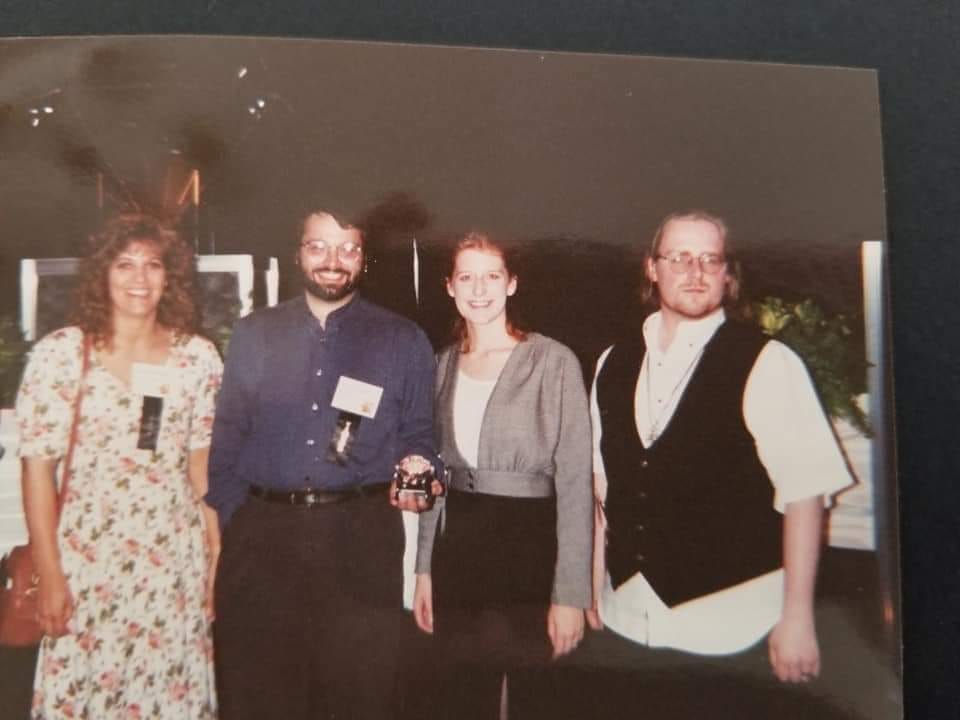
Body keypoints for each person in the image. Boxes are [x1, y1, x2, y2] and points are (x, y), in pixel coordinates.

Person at [564, 210, 855, 718]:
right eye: (678, 257)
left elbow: (806, 499)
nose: (694, 271)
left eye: (709, 259)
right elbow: (600, 485)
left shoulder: (768, 363)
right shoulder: (613, 361)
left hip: (731, 626)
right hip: (625, 618)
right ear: (652, 269)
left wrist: (798, 618)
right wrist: (591, 584)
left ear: (728, 274)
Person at [206, 205, 441, 720]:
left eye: (348, 248)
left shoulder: (402, 339)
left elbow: (421, 435)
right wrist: (238, 522)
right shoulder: (254, 334)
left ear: (363, 258)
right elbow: (225, 441)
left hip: (360, 541)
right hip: (263, 541)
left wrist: (421, 467)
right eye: (319, 247)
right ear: (299, 254)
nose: (333, 261)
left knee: (360, 698)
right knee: (261, 698)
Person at [17, 214, 222, 719]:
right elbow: (38, 471)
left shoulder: (197, 359)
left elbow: (202, 472)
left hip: (173, 566)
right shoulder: (61, 355)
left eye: (153, 265)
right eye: (125, 264)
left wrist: (216, 561)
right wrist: (50, 570)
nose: (139, 278)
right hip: (86, 563)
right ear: (101, 274)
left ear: (169, 276)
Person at [411, 231, 593, 719]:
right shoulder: (440, 365)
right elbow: (435, 477)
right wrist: (424, 569)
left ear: (512, 284)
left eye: (491, 276)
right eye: (466, 277)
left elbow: (577, 484)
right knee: (462, 697)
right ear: (450, 286)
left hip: (530, 550)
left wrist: (571, 594)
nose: (479, 289)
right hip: (460, 553)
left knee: (535, 697)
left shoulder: (553, 362)